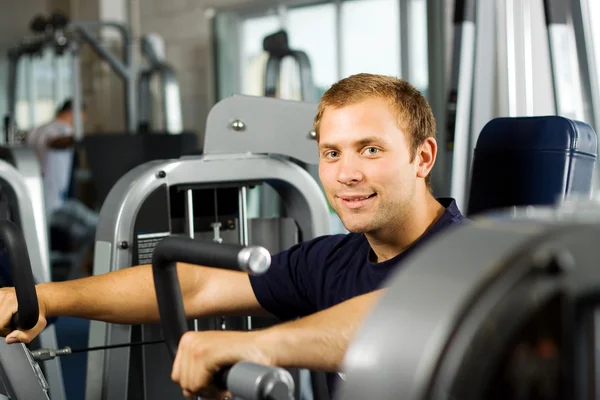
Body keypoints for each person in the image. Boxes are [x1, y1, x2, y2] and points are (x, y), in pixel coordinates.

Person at [0, 74, 467, 399]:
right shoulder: (330, 262)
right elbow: (198, 285)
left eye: (370, 150)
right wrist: (47, 297)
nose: (346, 173)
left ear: (422, 157)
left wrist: (256, 346)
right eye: (331, 153)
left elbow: (403, 313)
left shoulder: (475, 259)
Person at [26, 99, 86, 215]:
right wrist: (84, 139)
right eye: (82, 119)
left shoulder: (37, 129)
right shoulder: (62, 129)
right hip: (52, 192)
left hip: (36, 186)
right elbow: (55, 142)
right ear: (72, 113)